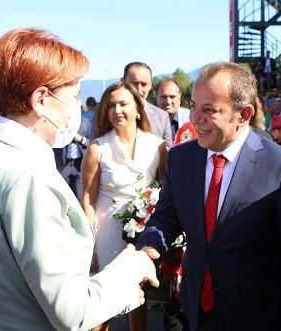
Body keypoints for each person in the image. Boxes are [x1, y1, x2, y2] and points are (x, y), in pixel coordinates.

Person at [0, 28, 157, 331]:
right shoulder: (27, 175)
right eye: (73, 96)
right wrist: (130, 268)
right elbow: (73, 312)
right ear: (42, 100)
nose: (76, 107)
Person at [136, 62, 281, 330]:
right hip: (195, 310)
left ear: (244, 114)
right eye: (193, 106)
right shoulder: (181, 158)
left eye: (210, 110)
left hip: (256, 316)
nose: (195, 118)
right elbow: (166, 218)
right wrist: (147, 250)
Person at [80, 82, 167, 331]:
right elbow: (86, 199)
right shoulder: (98, 147)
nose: (117, 110)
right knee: (102, 302)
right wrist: (90, 246)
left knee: (138, 297)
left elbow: (166, 191)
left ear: (138, 109)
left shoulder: (158, 146)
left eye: (123, 104)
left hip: (144, 232)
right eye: (111, 106)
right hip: (107, 232)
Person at [122, 62, 172, 145]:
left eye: (144, 84)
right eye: (134, 83)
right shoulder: (109, 114)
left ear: (150, 85)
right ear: (123, 82)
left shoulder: (162, 117)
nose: (139, 89)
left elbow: (167, 151)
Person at [53, 114, 93, 200]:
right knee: (60, 193)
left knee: (79, 195)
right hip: (63, 163)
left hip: (79, 164)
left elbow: (92, 142)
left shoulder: (86, 122)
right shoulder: (61, 120)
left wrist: (81, 139)